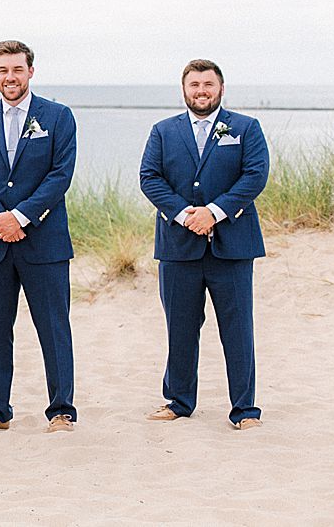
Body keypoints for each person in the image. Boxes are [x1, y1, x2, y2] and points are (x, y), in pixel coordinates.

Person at [139, 59, 269, 429]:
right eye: (194, 85)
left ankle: (244, 410)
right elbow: (149, 177)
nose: (201, 91)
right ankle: (179, 401)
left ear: (221, 88)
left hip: (232, 247)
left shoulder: (246, 128)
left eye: (208, 84)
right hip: (178, 247)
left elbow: (255, 175)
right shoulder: (163, 131)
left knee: (238, 329)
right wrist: (184, 214)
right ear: (184, 90)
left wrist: (214, 212)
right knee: (180, 328)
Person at [0, 40, 78, 433]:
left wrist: (22, 217)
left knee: (54, 327)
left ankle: (61, 410)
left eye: (17, 70)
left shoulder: (58, 117)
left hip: (44, 243)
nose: (10, 78)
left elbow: (60, 175)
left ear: (31, 72)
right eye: (3, 71)